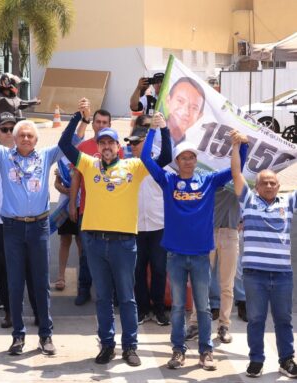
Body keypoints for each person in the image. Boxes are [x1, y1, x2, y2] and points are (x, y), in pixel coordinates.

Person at [59, 111, 172, 366]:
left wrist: (162, 129)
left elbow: (165, 157)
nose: (107, 146)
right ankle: (107, 344)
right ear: (97, 147)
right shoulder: (88, 163)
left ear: (118, 147)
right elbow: (64, 144)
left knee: (126, 297)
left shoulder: (134, 165)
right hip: (95, 242)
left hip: (123, 243)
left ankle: (130, 347)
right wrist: (79, 117)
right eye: (103, 143)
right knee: (103, 298)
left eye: (111, 142)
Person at [0, 102, 86, 357]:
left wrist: (80, 117)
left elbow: (69, 141)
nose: (25, 138)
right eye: (21, 135)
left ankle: (46, 335)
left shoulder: (45, 155)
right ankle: (18, 336)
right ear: (14, 139)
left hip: (38, 227)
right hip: (13, 229)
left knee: (41, 284)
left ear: (36, 140)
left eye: (30, 135)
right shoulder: (4, 157)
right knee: (15, 284)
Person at [141, 127, 248, 371]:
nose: (188, 161)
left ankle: (205, 351)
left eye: (191, 157)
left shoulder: (208, 181)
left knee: (202, 307)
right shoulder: (168, 180)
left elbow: (236, 170)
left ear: (196, 160)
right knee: (178, 307)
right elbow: (146, 159)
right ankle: (178, 351)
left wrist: (239, 145)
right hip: (176, 255)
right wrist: (153, 131)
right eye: (183, 158)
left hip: (201, 255)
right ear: (176, 162)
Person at [231, 148, 297, 378]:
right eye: (265, 183)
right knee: (256, 320)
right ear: (256, 186)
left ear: (279, 186)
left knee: (283, 320)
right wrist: (235, 147)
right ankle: (256, 361)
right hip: (254, 275)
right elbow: (236, 173)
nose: (269, 186)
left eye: (273, 183)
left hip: (282, 275)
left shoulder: (288, 202)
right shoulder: (248, 201)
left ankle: (287, 360)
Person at [0, 111, 38, 328]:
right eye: (4, 129)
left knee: (31, 267)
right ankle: (11, 312)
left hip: (24, 221)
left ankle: (38, 312)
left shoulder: (29, 154)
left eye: (13, 129)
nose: (9, 133)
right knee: (5, 268)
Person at [68, 104, 121, 306]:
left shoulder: (119, 149)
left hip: (111, 213)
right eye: (97, 122)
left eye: (104, 123)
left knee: (113, 254)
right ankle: (84, 289)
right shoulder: (83, 148)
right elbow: (76, 179)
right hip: (87, 210)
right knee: (86, 253)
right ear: (93, 125)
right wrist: (73, 204)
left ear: (110, 125)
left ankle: (115, 292)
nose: (100, 125)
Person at [126, 115, 169, 326]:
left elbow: (169, 154)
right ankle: (143, 309)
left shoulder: (158, 161)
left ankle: (159, 308)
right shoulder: (126, 164)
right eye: (130, 143)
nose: (132, 146)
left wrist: (163, 129)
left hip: (159, 225)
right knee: (138, 270)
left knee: (160, 269)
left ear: (146, 141)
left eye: (136, 142)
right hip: (135, 226)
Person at [186, 189, 241, 343]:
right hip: (206, 232)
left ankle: (224, 325)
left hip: (230, 233)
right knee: (200, 282)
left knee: (227, 284)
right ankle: (195, 323)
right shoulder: (207, 181)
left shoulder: (236, 179)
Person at [53, 159, 82, 291]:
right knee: (64, 241)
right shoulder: (62, 160)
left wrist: (76, 191)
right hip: (64, 207)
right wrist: (66, 190)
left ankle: (84, 277)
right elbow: (57, 183)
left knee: (81, 242)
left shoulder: (84, 156)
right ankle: (60, 276)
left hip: (81, 206)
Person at [165, 77, 205, 144]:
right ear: (168, 101)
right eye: (180, 101)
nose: (185, 111)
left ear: (199, 116)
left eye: (194, 108)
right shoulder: (151, 135)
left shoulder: (193, 148)